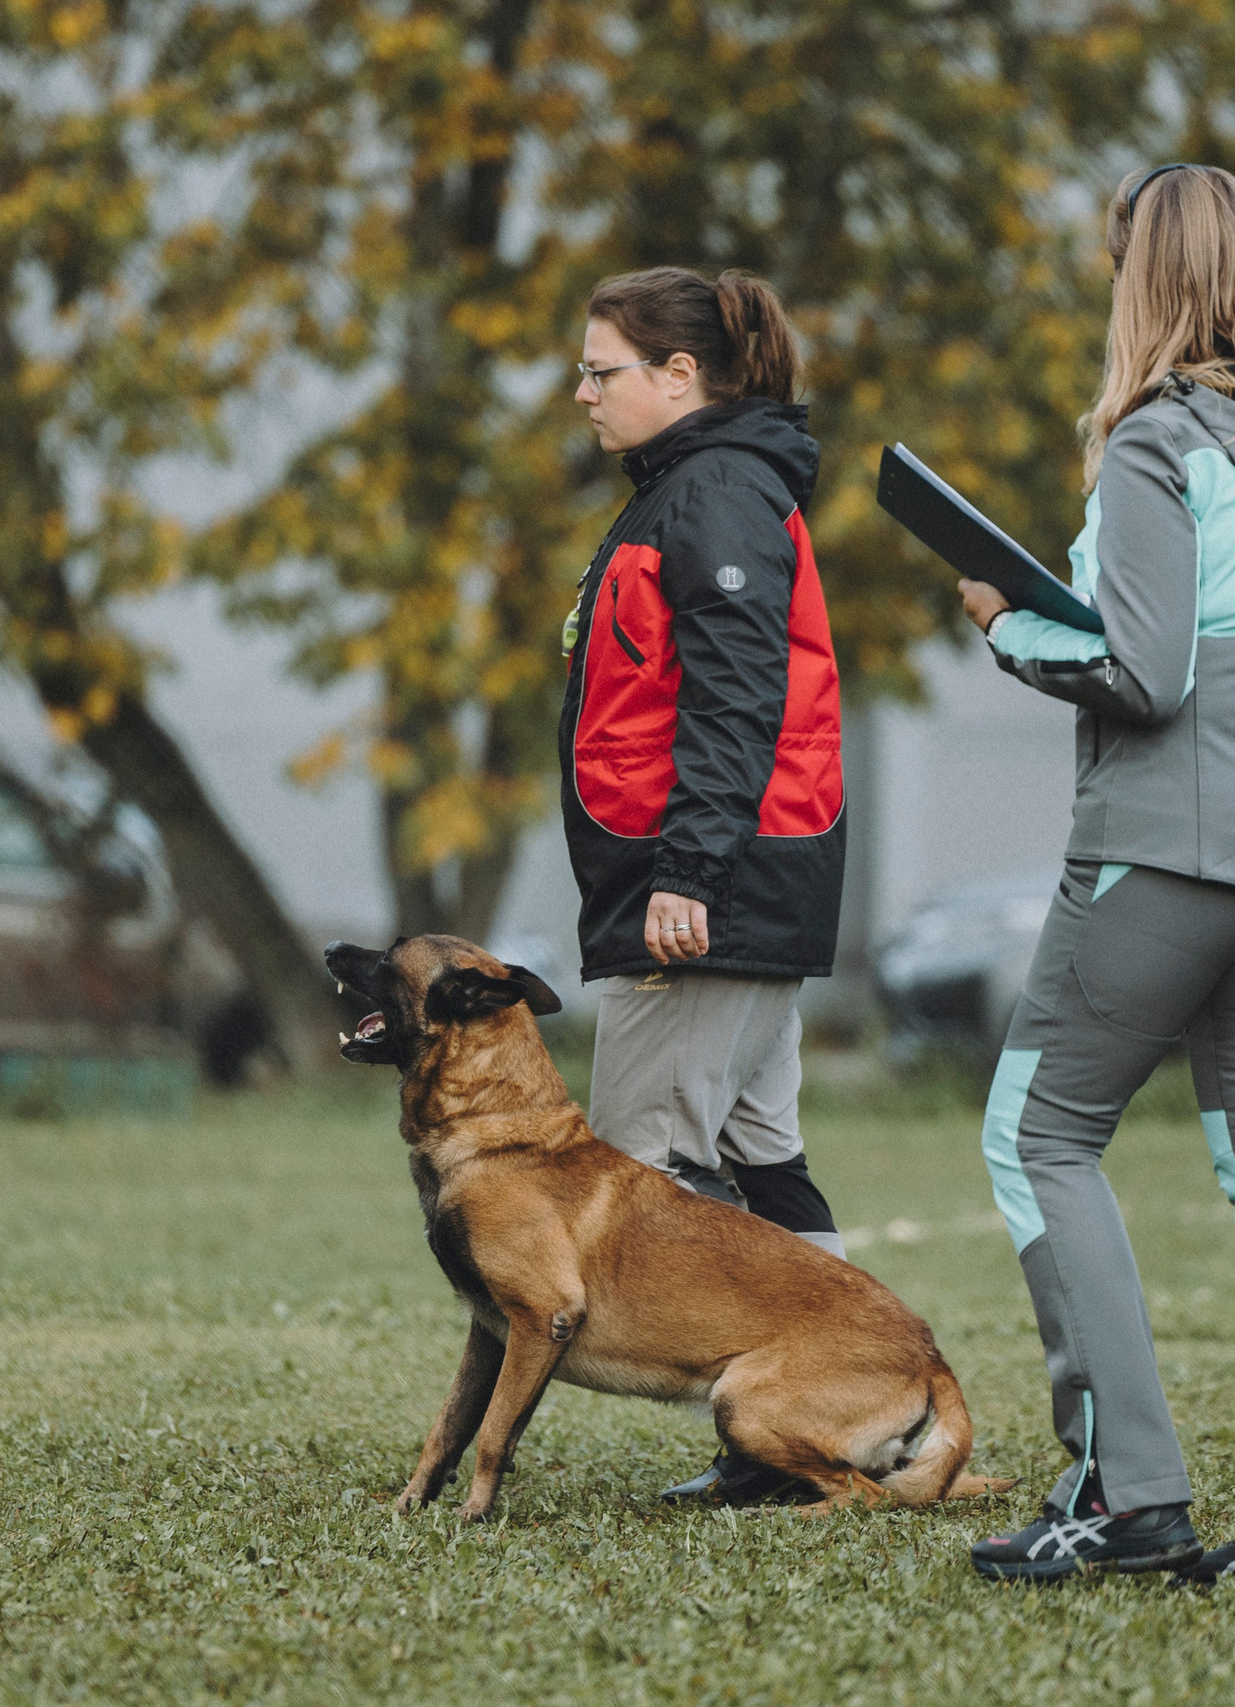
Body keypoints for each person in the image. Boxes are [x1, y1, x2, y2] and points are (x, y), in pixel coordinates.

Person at [958, 164, 1235, 1588]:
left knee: (1041, 1133)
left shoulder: (1154, 442)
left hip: (1170, 845)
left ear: (1138, 276)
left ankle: (1127, 1492)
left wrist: (1008, 622)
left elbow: (1140, 673)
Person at [556, 265, 850, 1506]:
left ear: (680, 377)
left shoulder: (717, 490)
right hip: (725, 888)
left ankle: (796, 1423)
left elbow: (740, 696)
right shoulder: (695, 488)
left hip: (706, 899)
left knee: (637, 1173)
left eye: (601, 371)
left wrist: (687, 876)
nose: (582, 394)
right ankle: (851, 1391)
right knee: (757, 1152)